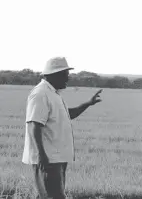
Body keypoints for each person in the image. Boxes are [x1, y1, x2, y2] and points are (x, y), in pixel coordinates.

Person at [22, 56, 103, 199]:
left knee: (51, 196)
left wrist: (87, 103)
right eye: (65, 75)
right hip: (48, 159)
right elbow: (34, 125)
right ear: (55, 75)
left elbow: (68, 114)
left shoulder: (53, 93)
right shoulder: (40, 94)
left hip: (56, 158)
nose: (68, 79)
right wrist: (42, 156)